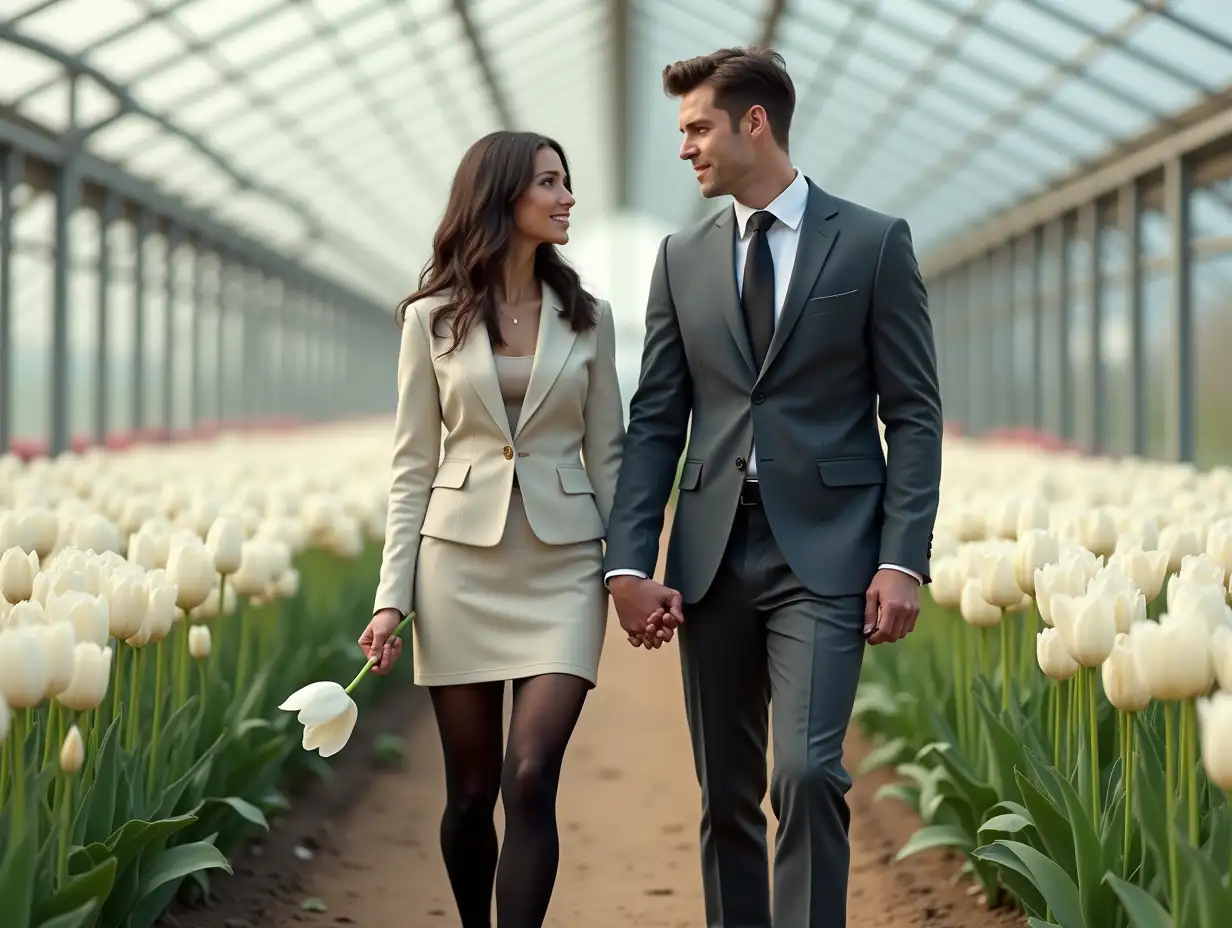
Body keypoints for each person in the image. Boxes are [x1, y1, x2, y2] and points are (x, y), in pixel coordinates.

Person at [603, 47, 944, 927]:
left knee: (806, 771)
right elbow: (655, 423)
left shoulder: (872, 242)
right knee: (724, 795)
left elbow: (913, 414)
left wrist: (903, 560)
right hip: (712, 555)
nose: (685, 148)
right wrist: (629, 563)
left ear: (755, 123)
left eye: (697, 128)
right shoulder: (681, 258)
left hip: (828, 555)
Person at [358, 130, 626, 928]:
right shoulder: (430, 320)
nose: (567, 197)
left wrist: (631, 570)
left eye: (567, 182)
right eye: (550, 182)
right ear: (502, 195)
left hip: (565, 568)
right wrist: (388, 600)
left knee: (531, 773)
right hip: (457, 571)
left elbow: (607, 452)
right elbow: (412, 467)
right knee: (472, 794)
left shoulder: (591, 318)